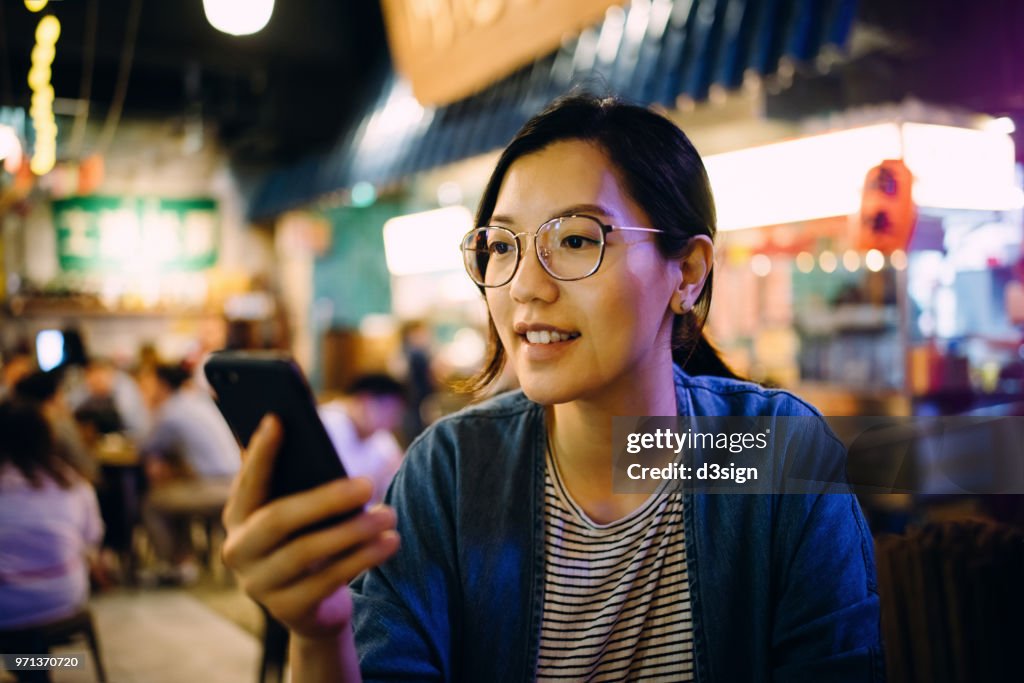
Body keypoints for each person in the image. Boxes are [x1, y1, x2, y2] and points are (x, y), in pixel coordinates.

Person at [221, 94, 882, 681]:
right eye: (502, 246)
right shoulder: (448, 475)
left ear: (687, 272)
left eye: (573, 239)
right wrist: (321, 634)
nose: (525, 286)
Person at [0, 400, 104, 633]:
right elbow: (92, 540)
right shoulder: (71, 482)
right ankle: (30, 665)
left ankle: (23, 664)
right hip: (63, 595)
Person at [139, 363, 240, 583]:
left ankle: (173, 566)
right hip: (236, 483)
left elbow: (146, 448)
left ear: (162, 385)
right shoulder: (200, 402)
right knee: (174, 496)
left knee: (153, 503)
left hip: (213, 487)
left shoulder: (170, 412)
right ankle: (185, 562)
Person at [319, 374, 406, 507]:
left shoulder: (380, 435)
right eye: (389, 410)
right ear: (364, 401)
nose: (393, 420)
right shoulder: (327, 424)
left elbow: (397, 474)